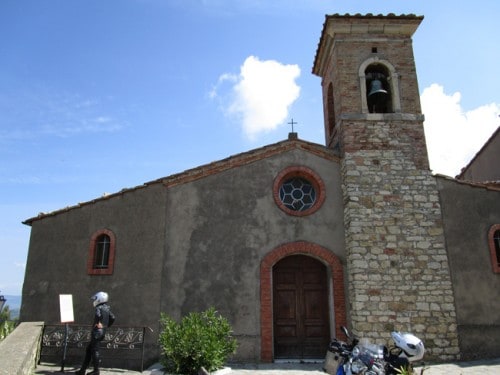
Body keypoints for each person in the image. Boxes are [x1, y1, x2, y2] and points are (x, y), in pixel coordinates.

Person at [75, 291, 115, 375]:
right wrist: (105, 326)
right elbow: (113, 317)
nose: (95, 300)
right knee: (89, 350)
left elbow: (98, 315)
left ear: (100, 299)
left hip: (97, 332)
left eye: (96, 299)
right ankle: (82, 370)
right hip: (102, 332)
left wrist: (98, 323)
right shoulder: (107, 308)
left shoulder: (99, 307)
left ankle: (96, 371)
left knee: (95, 351)